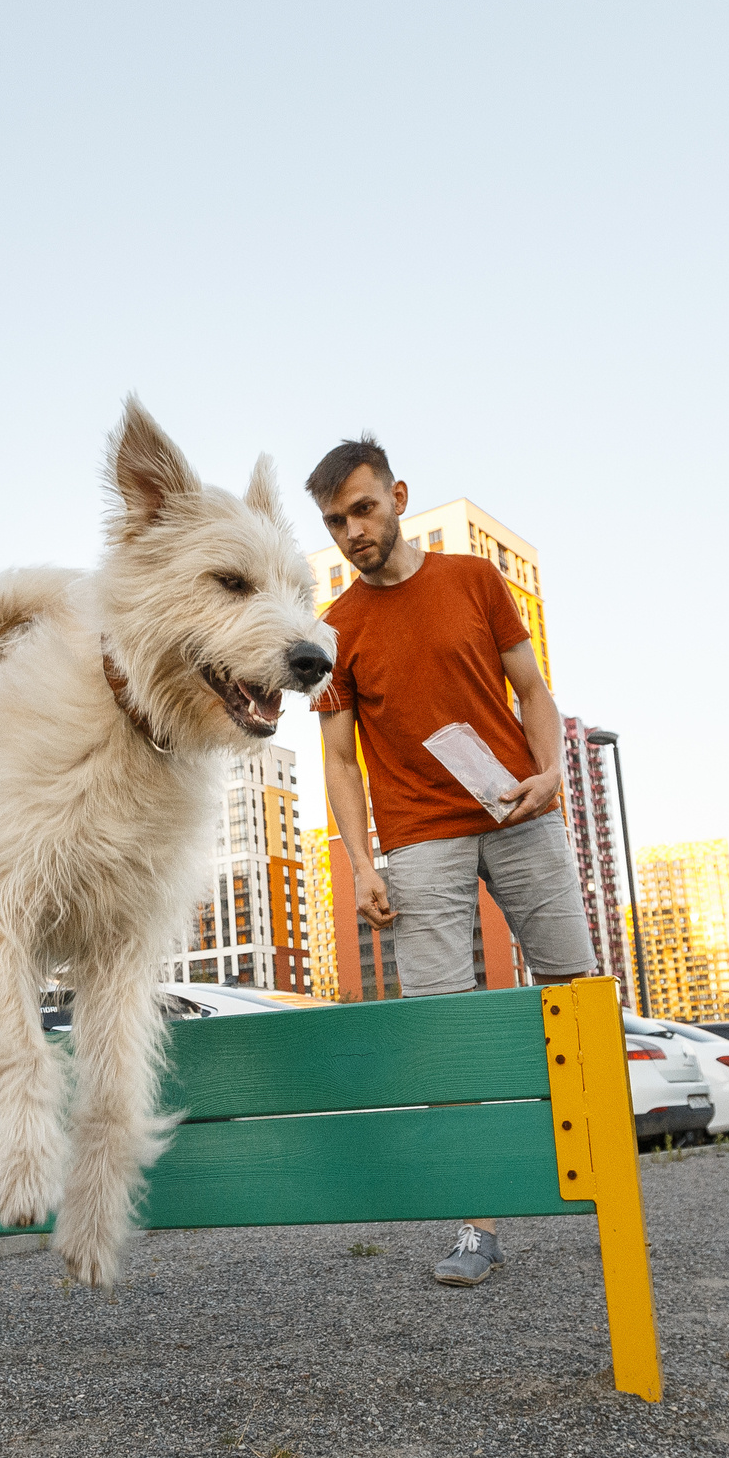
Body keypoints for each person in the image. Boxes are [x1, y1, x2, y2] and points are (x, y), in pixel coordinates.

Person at [307, 433, 597, 1288]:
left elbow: (533, 691)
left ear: (397, 496)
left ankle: (607, 1186)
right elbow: (338, 760)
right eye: (336, 523)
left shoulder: (475, 580)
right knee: (446, 1031)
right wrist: (362, 864)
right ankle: (479, 1226)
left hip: (518, 813)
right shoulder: (334, 631)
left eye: (363, 509)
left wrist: (549, 774)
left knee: (574, 994)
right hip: (418, 839)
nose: (354, 532)